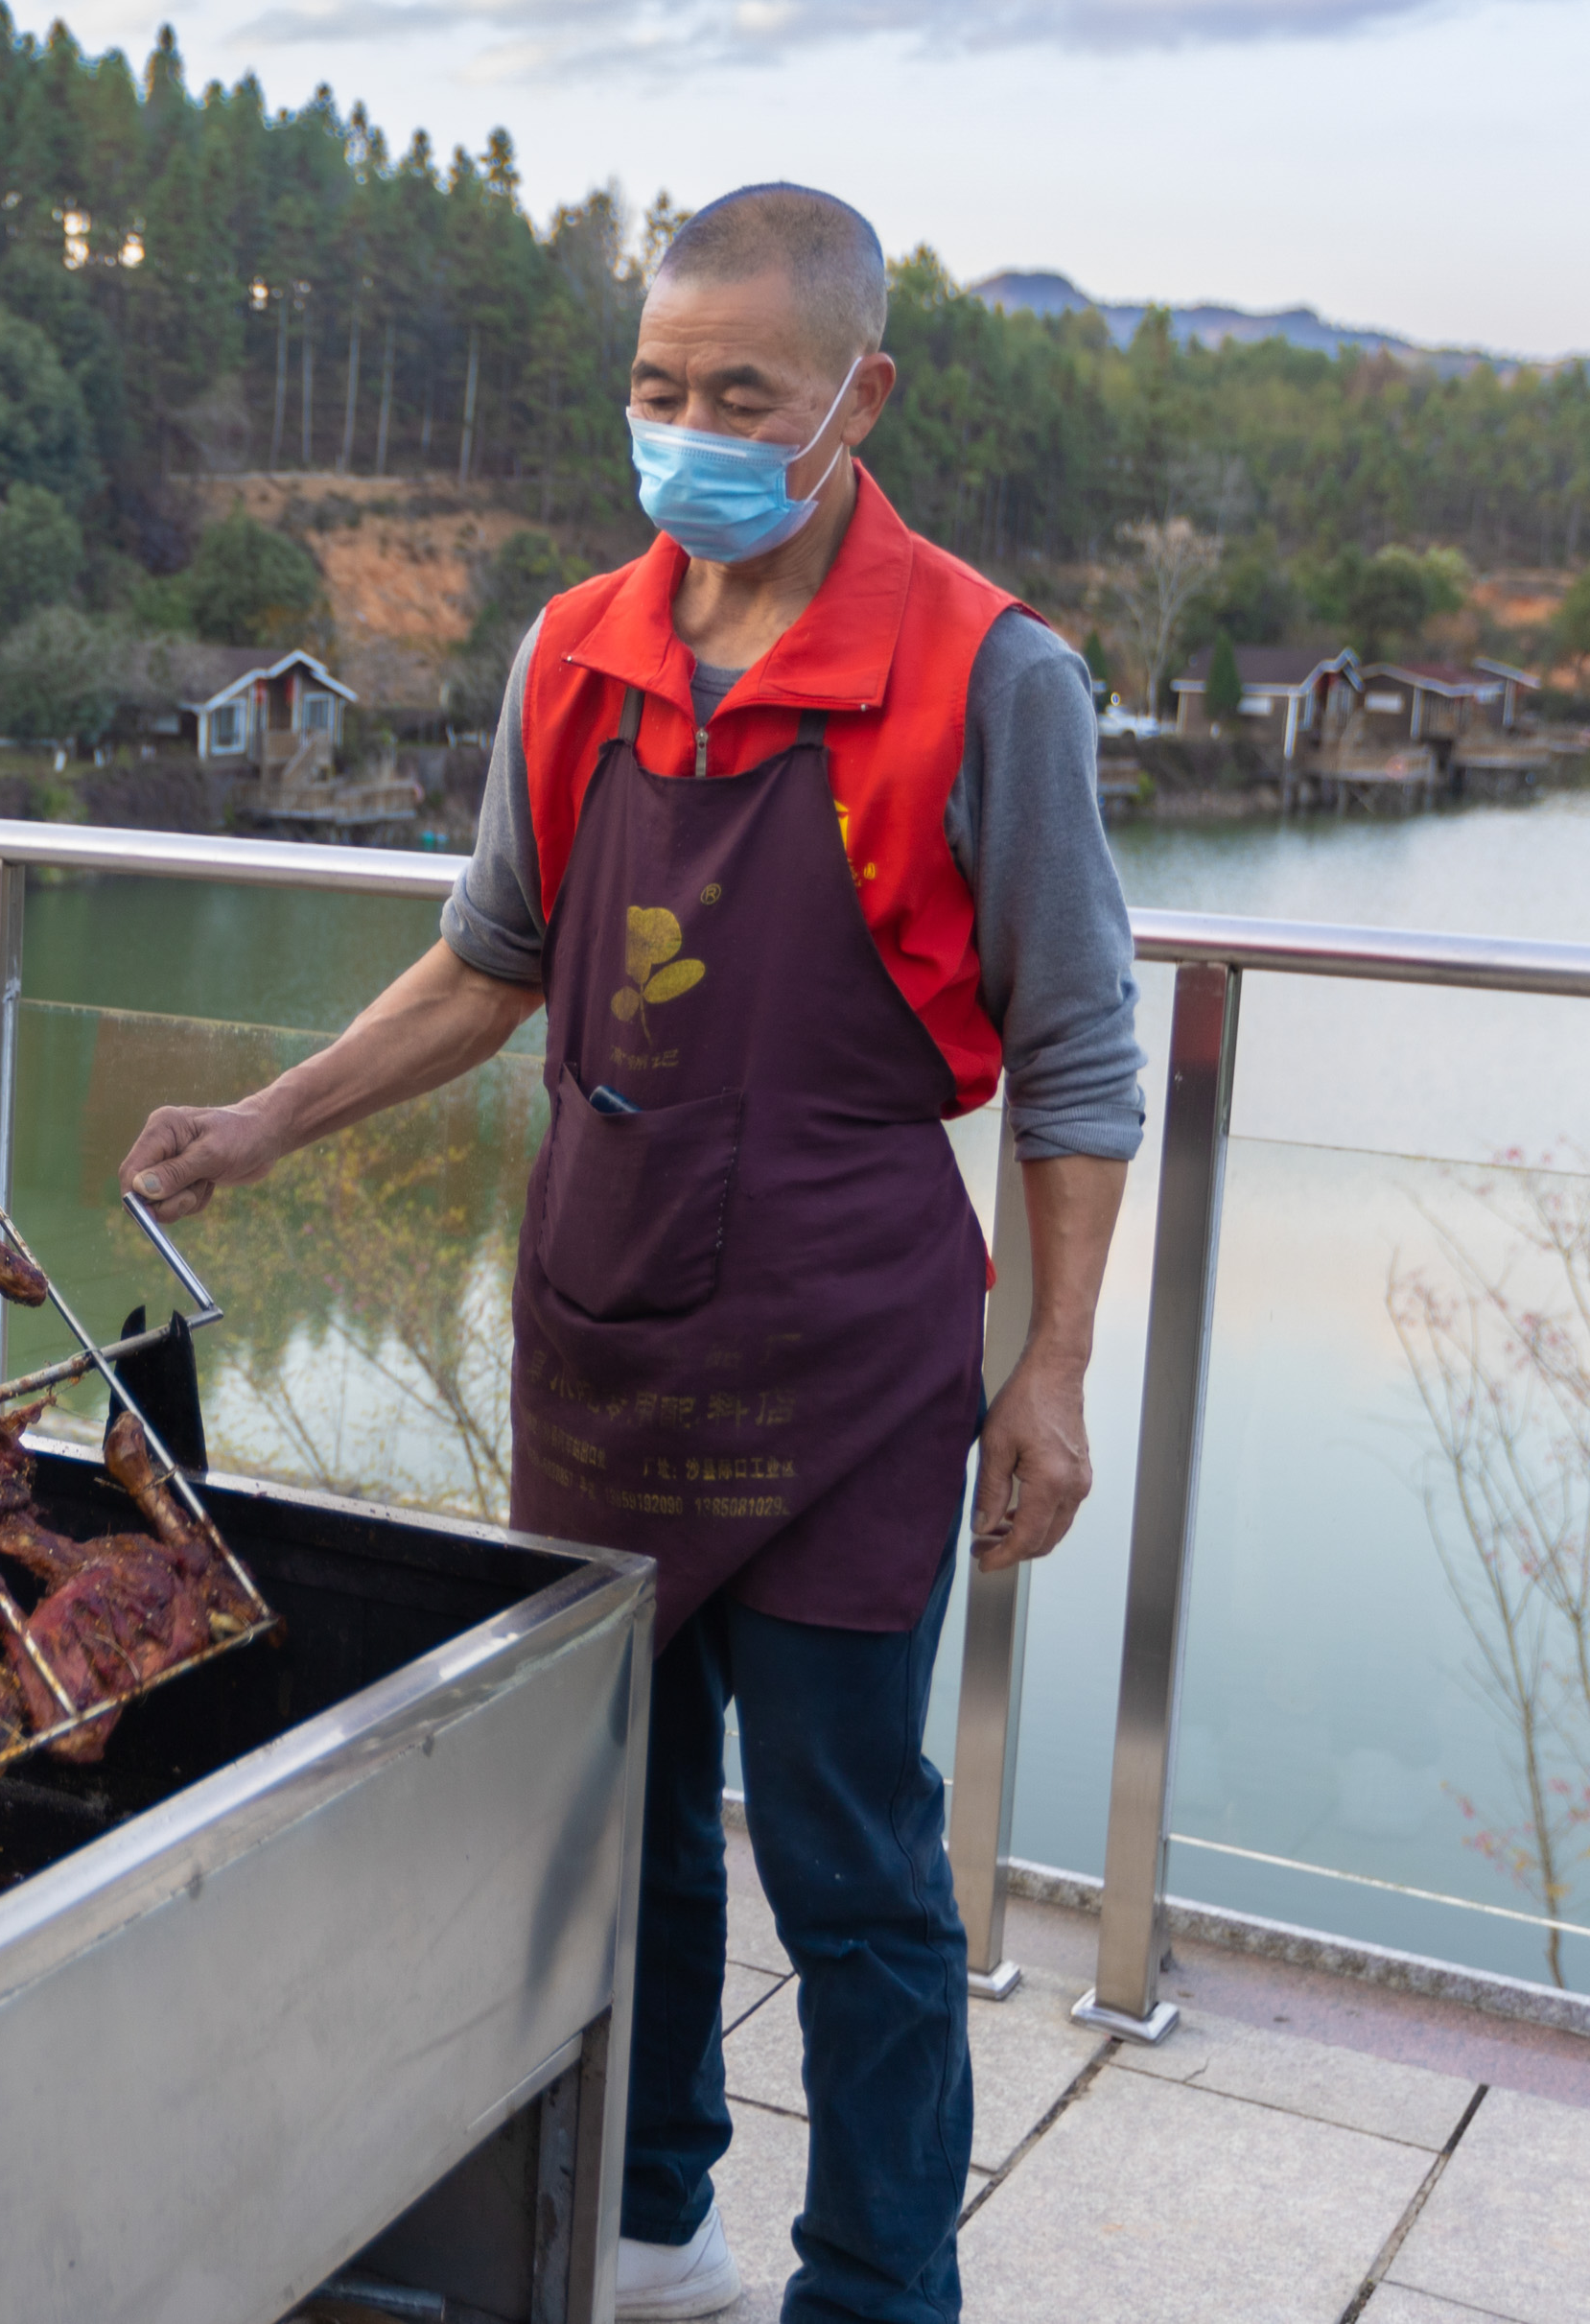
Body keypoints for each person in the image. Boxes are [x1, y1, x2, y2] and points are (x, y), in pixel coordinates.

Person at [119, 184, 1142, 2324]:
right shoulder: (575, 650)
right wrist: (262, 1123)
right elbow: (488, 961)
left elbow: (1074, 1057)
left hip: (848, 1353)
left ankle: (877, 2288)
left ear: (860, 397)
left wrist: (1049, 1371)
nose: (690, 433)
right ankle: (649, 2208)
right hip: (604, 1330)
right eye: (660, 388)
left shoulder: (991, 676)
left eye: (742, 395)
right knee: (623, 1806)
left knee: (855, 1862)